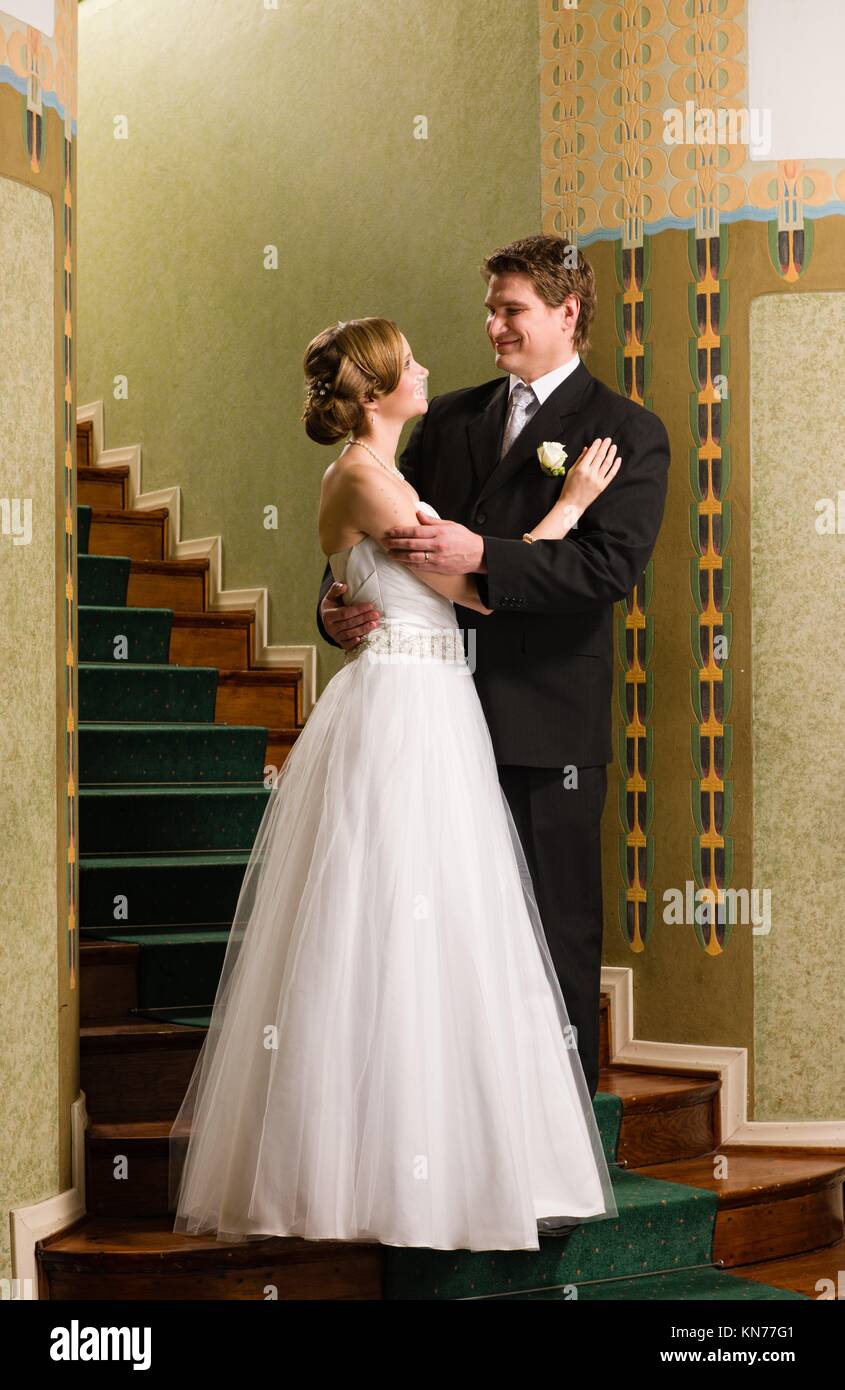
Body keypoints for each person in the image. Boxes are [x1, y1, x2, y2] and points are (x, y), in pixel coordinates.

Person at [167, 315, 621, 1252]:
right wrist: (570, 503)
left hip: (436, 702)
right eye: (408, 363)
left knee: (450, 923)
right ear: (373, 395)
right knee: (387, 922)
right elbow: (478, 585)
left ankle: (456, 1154)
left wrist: (346, 600)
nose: (426, 368)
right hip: (405, 711)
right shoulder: (369, 481)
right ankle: (379, 1176)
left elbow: (380, 578)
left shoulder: (384, 473)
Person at [316, 235, 671, 1099]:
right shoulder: (447, 419)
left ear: (567, 313)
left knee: (553, 932)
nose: (493, 327)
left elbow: (602, 572)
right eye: (491, 310)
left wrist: (488, 553)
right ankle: (456, 1119)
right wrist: (332, 607)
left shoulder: (626, 432)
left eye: (510, 310)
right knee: (439, 937)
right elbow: (381, 541)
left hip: (544, 719)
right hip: (429, 716)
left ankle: (568, 1131)